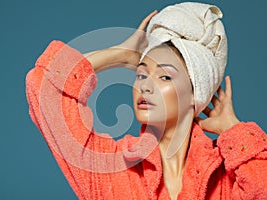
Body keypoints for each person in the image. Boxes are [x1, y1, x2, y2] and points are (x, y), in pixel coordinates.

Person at [25, 2, 267, 200]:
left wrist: (235, 131)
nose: (145, 85)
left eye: (164, 76)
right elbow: (43, 87)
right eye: (141, 74)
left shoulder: (226, 178)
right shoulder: (112, 168)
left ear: (196, 94)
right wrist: (119, 54)